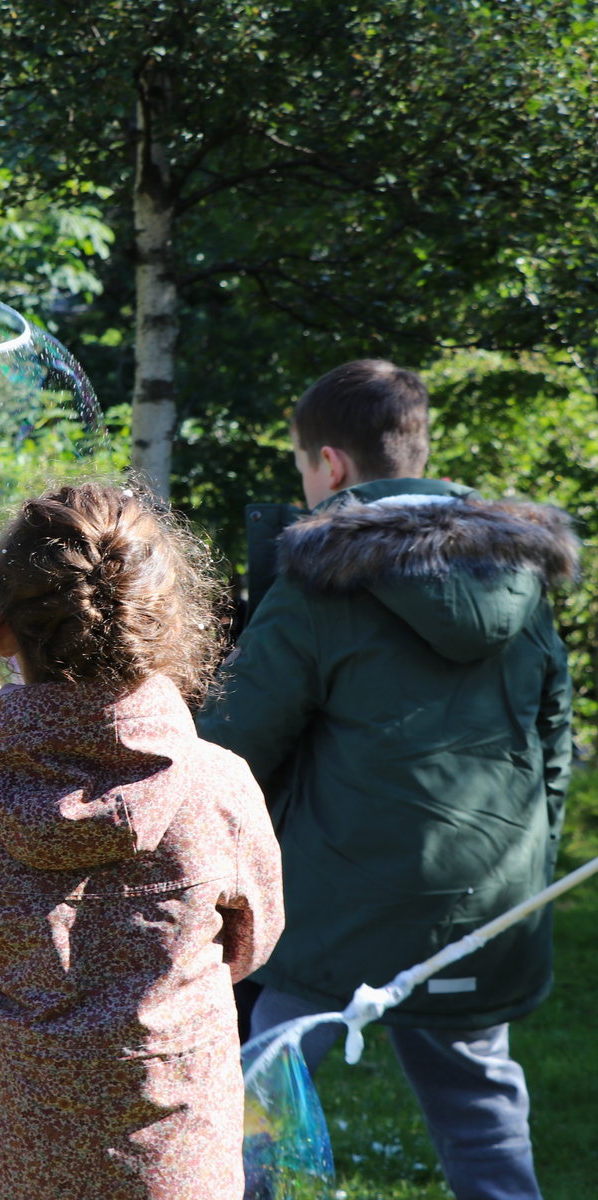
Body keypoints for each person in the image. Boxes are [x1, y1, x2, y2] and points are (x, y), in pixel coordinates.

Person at [197, 359, 575, 1200]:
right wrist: (524, 866)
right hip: (485, 903)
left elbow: (233, 746)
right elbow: (552, 741)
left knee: (256, 1095)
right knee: (482, 1112)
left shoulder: (317, 578)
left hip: (338, 908)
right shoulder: (519, 575)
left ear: (330, 466)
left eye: (304, 467)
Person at [0, 484, 284, 1200]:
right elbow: (251, 942)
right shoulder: (219, 787)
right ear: (164, 625)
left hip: (22, 1152)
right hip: (174, 1155)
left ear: (1, 631)